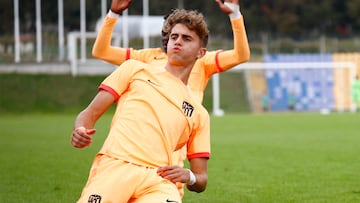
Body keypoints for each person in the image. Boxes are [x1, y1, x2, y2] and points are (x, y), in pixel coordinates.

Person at [92, 0, 250, 197]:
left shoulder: (202, 60)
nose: (175, 39)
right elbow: (101, 51)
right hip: (131, 148)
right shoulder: (145, 59)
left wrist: (235, 15)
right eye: (171, 33)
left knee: (168, 187)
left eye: (185, 36)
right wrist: (113, 14)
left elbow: (241, 55)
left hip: (175, 142)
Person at [71, 9, 210, 203]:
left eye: (187, 38)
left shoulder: (199, 113)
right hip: (115, 167)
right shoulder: (134, 69)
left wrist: (190, 176)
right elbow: (90, 113)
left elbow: (201, 179)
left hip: (159, 180)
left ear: (201, 52)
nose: (177, 41)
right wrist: (80, 129)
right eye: (174, 36)